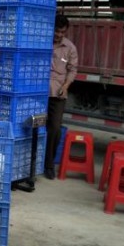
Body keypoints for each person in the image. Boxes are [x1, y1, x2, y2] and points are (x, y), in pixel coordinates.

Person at [44, 14, 78, 180]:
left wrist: (65, 86)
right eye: (56, 31)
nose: (58, 35)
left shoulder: (70, 48)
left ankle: (49, 165)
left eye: (62, 32)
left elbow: (72, 69)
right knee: (34, 125)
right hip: (38, 91)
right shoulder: (42, 42)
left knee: (55, 128)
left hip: (57, 92)